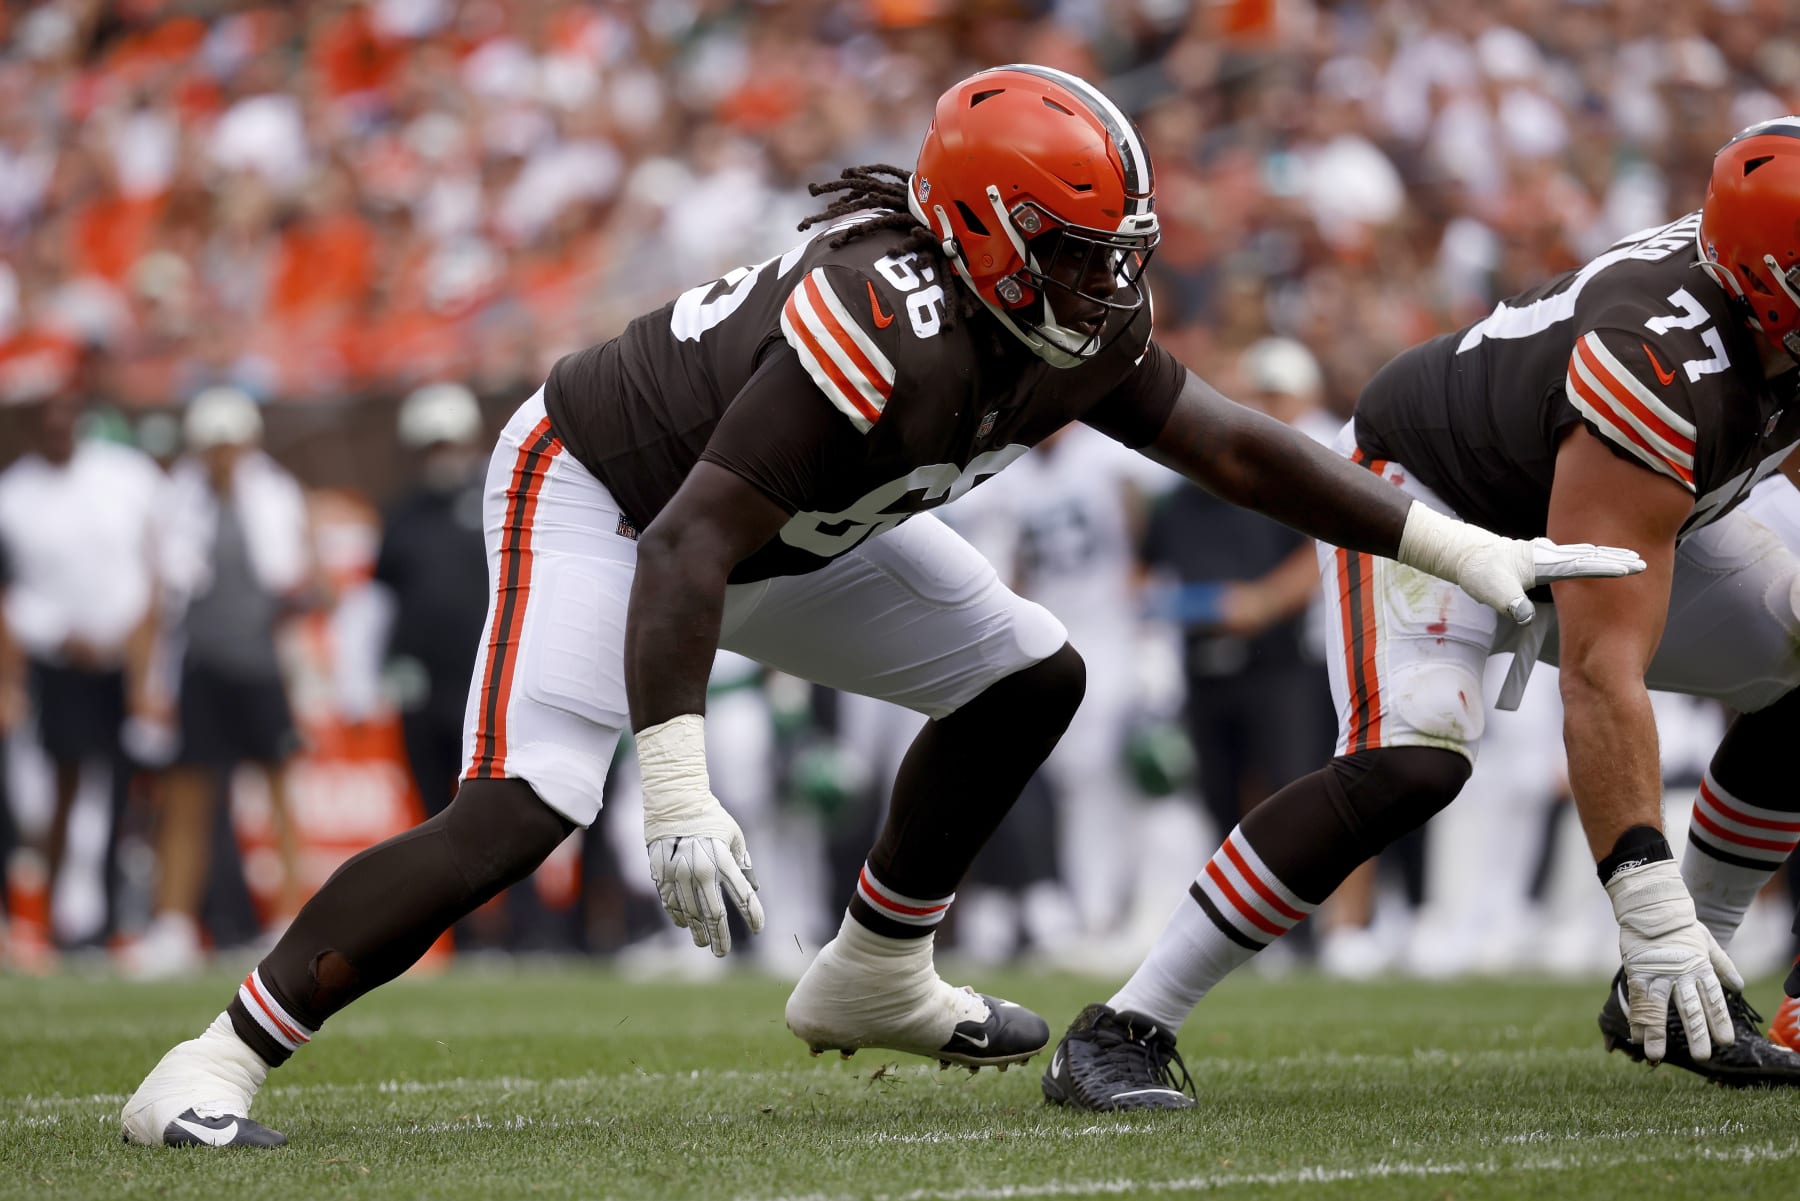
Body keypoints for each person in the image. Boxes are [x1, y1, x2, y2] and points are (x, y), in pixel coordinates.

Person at [119, 64, 1638, 1149]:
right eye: (1070, 252)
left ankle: (874, 970)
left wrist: (1446, 546)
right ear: (981, 234)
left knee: (1029, 676)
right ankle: (214, 1061)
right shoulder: (883, 320)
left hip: (786, 531)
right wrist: (676, 776)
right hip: (619, 500)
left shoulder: (1051, 318)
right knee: (525, 805)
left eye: (1116, 250)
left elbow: (1231, 442)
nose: (1105, 286)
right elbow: (690, 539)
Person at [1040, 116, 1800, 1113]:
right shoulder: (1657, 358)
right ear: (1767, 279)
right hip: (1433, 496)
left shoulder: (1753, 297)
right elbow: (1598, 664)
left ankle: (1683, 977)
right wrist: (1640, 894)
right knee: (1412, 760)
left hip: (1626, 498)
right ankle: (1123, 1025)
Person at [127, 387, 312, 975]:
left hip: (260, 666)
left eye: (230, 446)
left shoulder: (278, 497)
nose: (222, 457)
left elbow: (308, 582)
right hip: (201, 668)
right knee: (186, 800)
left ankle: (290, 920)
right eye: (213, 447)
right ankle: (174, 925)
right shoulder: (176, 505)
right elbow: (159, 599)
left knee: (280, 796)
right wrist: (147, 681)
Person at [0, 389, 163, 950]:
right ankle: (45, 918)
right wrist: (54, 635)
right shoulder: (14, 495)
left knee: (127, 790)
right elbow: (13, 592)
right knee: (61, 785)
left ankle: (117, 916)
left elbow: (151, 564)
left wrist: (142, 660)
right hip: (58, 660)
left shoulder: (124, 477)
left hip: (124, 656)